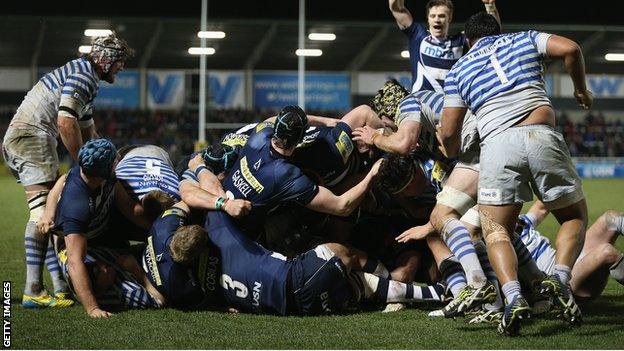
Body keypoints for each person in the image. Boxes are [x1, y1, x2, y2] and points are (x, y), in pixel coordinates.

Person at [439, 12, 593, 335]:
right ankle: (561, 280)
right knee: (574, 216)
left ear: (468, 41)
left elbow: (450, 132)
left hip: (496, 146)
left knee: (496, 229)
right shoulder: (524, 38)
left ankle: (512, 297)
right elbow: (572, 49)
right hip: (541, 134)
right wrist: (581, 90)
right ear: (499, 31)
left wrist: (450, 149)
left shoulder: (459, 69)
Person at [2, 33, 133, 308]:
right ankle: (33, 291)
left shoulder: (84, 74)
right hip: (33, 136)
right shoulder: (84, 75)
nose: (121, 67)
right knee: (42, 213)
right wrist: (85, 165)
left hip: (28, 135)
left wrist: (109, 159)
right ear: (106, 60)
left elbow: (87, 129)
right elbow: (65, 123)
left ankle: (59, 287)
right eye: (119, 61)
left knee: (50, 213)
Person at [142, 202, 447, 314]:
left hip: (289, 305)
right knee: (342, 253)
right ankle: (415, 285)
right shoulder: (221, 236)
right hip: (296, 280)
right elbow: (198, 199)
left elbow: (193, 299)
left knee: (360, 288)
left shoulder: (180, 281)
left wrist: (224, 307)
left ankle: (433, 295)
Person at [202, 105, 383, 239]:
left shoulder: (258, 137)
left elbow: (271, 120)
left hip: (215, 216)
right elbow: (342, 207)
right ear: (301, 138)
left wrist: (326, 121)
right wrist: (372, 173)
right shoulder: (286, 174)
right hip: (244, 236)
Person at [48, 139, 152, 318]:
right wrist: (93, 308)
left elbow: (130, 209)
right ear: (105, 170)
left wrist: (160, 226)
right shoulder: (77, 205)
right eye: (114, 159)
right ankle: (91, 291)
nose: (118, 158)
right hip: (77, 249)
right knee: (137, 296)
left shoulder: (102, 176)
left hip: (100, 239)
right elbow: (75, 261)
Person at [517, 203, 624, 301]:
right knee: (607, 252)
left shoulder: (519, 222)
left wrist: (556, 184)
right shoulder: (503, 242)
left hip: (570, 263)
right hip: (564, 284)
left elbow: (542, 206)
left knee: (612, 219)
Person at [387, 0, 500, 92]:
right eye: (433, 16)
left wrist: (490, 6)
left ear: (449, 18)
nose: (437, 20)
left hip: (449, 105)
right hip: (422, 104)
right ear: (428, 18)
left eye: (441, 16)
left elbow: (491, 32)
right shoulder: (418, 35)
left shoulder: (461, 41)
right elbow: (397, 8)